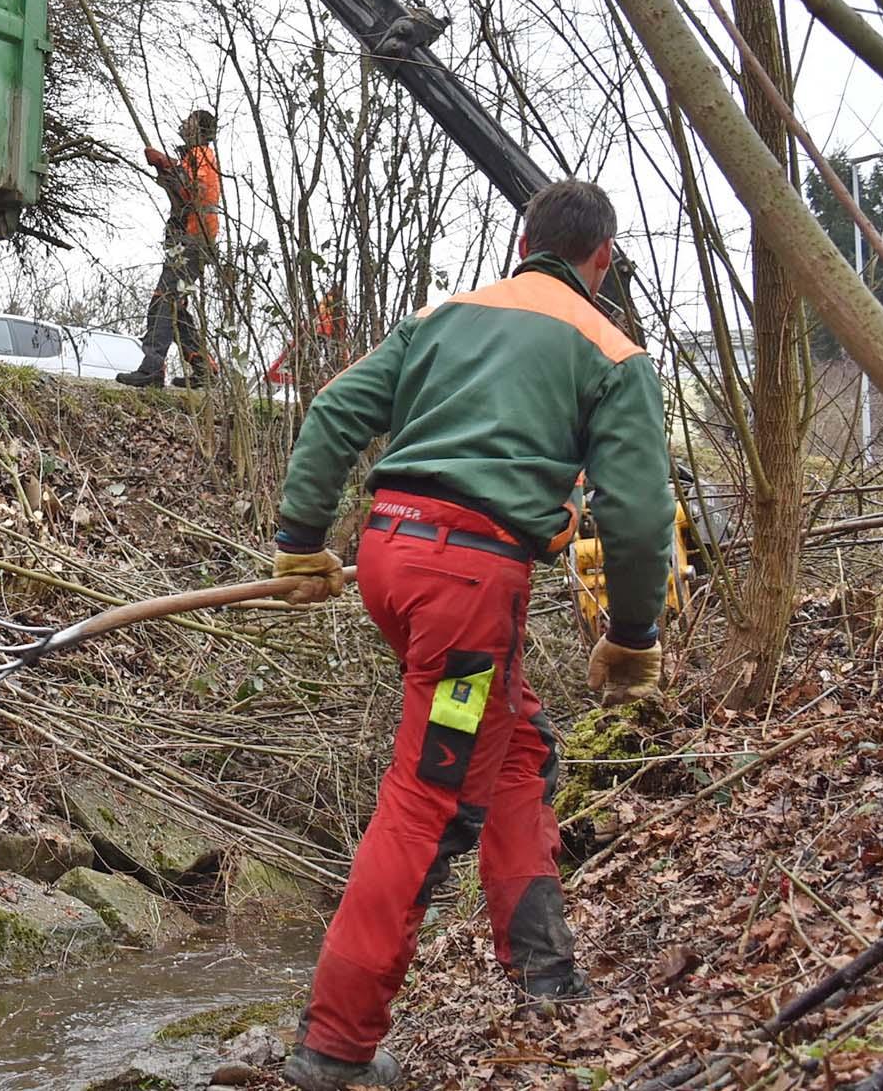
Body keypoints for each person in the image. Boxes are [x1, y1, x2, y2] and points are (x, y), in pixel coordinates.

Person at [264, 180, 675, 1090]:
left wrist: (301, 540)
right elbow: (641, 513)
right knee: (431, 800)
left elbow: (335, 411)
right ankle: (335, 1047)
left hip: (391, 559)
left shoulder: (446, 311)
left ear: (525, 240)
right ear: (601, 258)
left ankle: (545, 976)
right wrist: (634, 631)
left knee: (518, 746)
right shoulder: (610, 348)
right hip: (469, 588)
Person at [119, 108, 221, 388]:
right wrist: (166, 165)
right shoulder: (197, 158)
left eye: (188, 121)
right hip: (195, 242)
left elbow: (189, 191)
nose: (182, 123)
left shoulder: (201, 157)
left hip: (192, 241)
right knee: (175, 307)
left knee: (163, 301)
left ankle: (152, 368)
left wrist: (164, 163)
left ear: (199, 130)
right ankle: (204, 369)